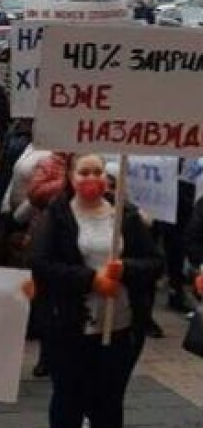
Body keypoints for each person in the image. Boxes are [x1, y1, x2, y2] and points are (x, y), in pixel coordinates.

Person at [30, 154, 162, 428]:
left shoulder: (125, 215)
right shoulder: (58, 215)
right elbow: (41, 264)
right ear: (70, 177)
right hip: (69, 328)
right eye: (84, 172)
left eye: (98, 172)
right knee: (69, 401)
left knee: (109, 402)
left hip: (119, 327)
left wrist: (125, 269)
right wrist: (90, 280)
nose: (92, 178)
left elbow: (154, 262)